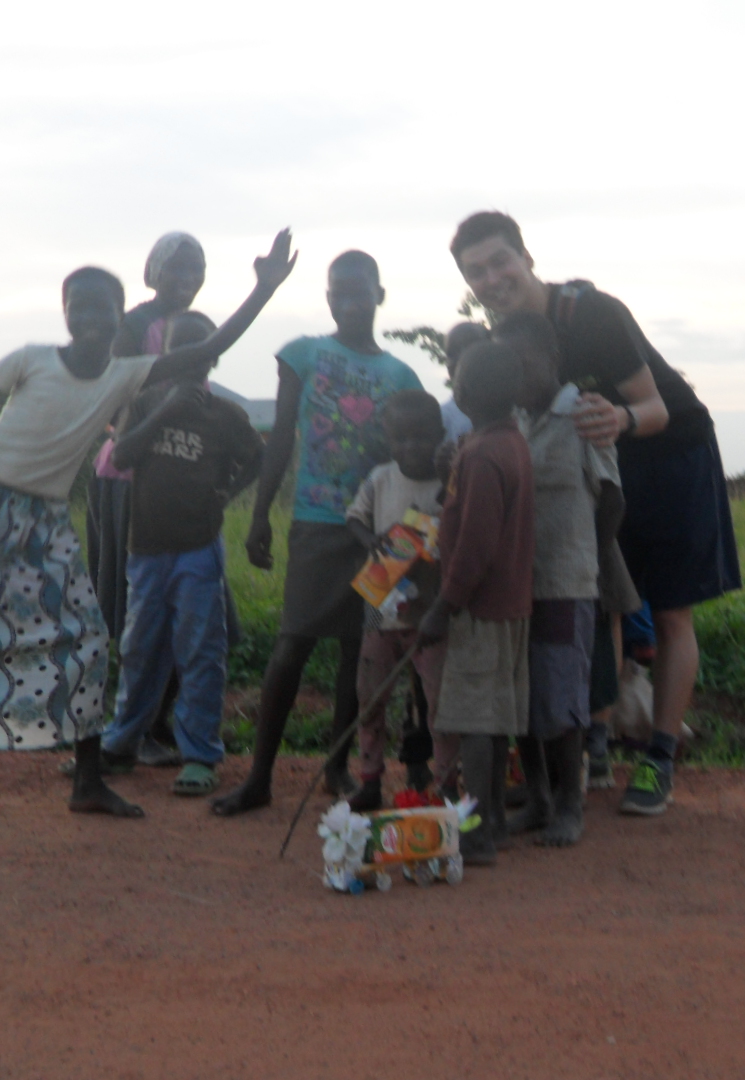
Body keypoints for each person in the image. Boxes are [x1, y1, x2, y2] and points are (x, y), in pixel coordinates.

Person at [0, 230, 296, 826]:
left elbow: (213, 343)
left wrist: (262, 290)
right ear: (65, 315)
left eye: (99, 307)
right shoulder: (32, 359)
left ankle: (88, 781)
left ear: (118, 315)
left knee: (86, 637)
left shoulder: (126, 374)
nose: (88, 317)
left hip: (43, 516)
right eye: (76, 306)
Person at [449, 211, 740, 817]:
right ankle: (596, 744)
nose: (492, 277)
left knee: (669, 610)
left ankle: (659, 757)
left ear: (527, 257)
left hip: (669, 454)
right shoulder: (506, 332)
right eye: (476, 271)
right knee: (600, 596)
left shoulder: (592, 313)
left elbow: (656, 405)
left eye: (500, 260)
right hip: (598, 464)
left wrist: (621, 419)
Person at [211, 251, 425, 817]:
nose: (350, 303)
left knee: (365, 653)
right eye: (339, 293)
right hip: (316, 522)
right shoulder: (303, 355)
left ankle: (338, 766)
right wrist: (260, 517)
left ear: (381, 295)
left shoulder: (402, 376)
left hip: (386, 535)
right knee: (292, 645)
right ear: (328, 298)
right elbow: (280, 438)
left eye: (361, 293)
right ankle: (260, 778)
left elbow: (415, 459)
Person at [95, 311, 265, 798]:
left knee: (200, 651)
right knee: (138, 649)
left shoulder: (225, 416)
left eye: (200, 348)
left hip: (197, 549)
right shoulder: (146, 400)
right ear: (164, 356)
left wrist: (230, 494)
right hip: (146, 550)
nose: (190, 360)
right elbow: (121, 456)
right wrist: (165, 412)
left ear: (214, 356)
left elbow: (258, 456)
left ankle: (199, 754)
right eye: (178, 349)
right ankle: (121, 743)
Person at [497, 313, 624, 847]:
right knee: (523, 696)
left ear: (552, 360)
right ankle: (540, 797)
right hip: (513, 584)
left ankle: (571, 804)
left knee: (563, 698)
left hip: (566, 579)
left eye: (523, 363)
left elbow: (612, 497)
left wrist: (588, 555)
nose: (515, 376)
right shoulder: (506, 420)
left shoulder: (581, 415)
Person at [87, 232, 210, 767]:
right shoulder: (133, 327)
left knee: (179, 610)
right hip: (129, 475)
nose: (186, 279)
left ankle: (151, 726)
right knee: (135, 608)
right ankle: (136, 728)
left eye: (196, 269)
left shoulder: (192, 328)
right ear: (152, 271)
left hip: (174, 479)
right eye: (176, 268)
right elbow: (114, 397)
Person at [416, 341, 534, 865]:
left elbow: (476, 545)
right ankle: (496, 824)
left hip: (480, 610)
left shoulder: (484, 454)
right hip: (507, 604)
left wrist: (445, 604)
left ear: (468, 391)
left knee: (476, 723)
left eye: (458, 378)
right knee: (491, 718)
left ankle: (481, 830)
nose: (454, 384)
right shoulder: (508, 443)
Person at [343, 390, 448, 811]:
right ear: (389, 439)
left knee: (439, 702)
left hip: (430, 608)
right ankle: (370, 780)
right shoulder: (381, 478)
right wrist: (372, 542)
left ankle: (444, 785)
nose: (411, 448)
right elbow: (355, 518)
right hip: (380, 601)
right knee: (370, 695)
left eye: (422, 438)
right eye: (401, 439)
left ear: (439, 436)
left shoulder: (449, 484)